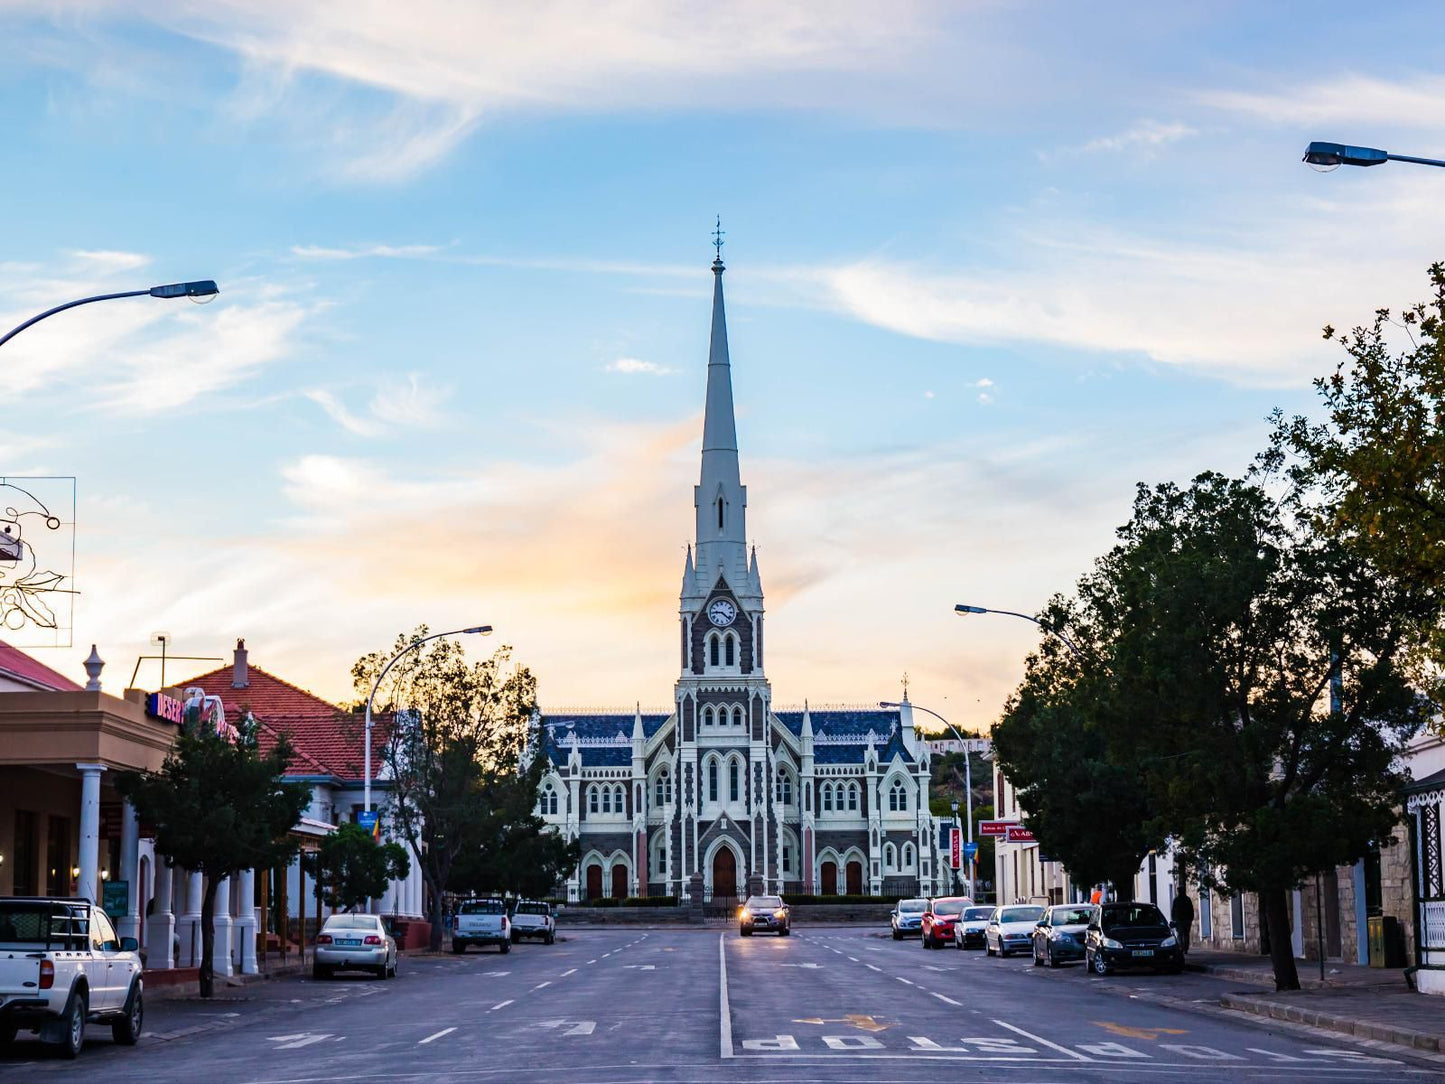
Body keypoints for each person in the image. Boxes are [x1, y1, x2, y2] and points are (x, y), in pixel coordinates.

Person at [1171, 890, 1195, 955]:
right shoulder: (1187, 899)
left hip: (1182, 920)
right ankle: (1184, 948)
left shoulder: (1177, 900)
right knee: (1184, 935)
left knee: (1181, 935)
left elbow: (1173, 910)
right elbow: (1191, 910)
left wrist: (1174, 919)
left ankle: (1182, 948)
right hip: (1184, 920)